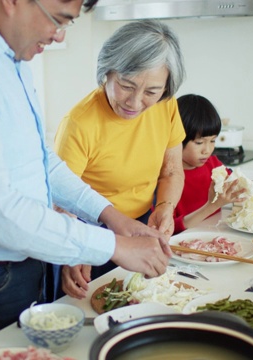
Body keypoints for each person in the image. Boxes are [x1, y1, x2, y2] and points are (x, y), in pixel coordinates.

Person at [0, 0, 172, 358]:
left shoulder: (7, 59)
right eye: (58, 20)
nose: (58, 36)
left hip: (14, 267)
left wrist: (111, 217)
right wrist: (114, 246)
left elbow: (44, 163)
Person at [53, 20, 186, 298]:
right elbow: (61, 204)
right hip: (91, 234)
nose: (135, 102)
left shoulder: (166, 105)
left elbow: (172, 169)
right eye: (126, 86)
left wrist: (165, 206)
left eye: (151, 92)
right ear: (106, 73)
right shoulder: (80, 123)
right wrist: (73, 254)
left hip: (142, 223)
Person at [173, 94, 246, 234]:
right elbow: (170, 227)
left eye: (212, 141)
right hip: (183, 243)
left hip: (213, 234)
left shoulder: (212, 164)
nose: (207, 150)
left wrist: (249, 190)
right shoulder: (165, 176)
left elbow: (237, 184)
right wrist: (212, 206)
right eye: (199, 142)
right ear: (176, 138)